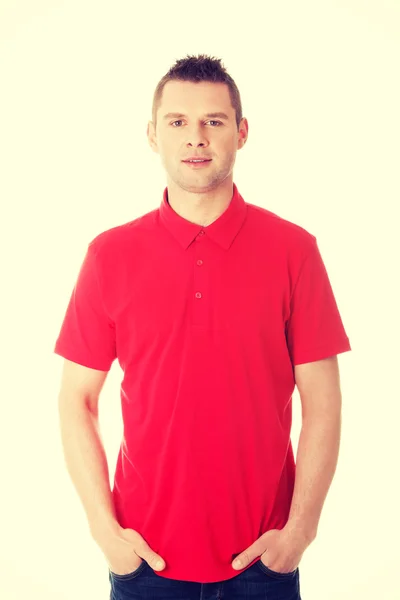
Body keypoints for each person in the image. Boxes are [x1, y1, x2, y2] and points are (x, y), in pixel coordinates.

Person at [54, 54, 351, 600]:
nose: (196, 138)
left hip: (264, 562)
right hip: (144, 560)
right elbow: (77, 399)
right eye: (178, 122)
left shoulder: (294, 250)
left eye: (213, 121)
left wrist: (299, 532)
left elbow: (324, 403)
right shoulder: (109, 254)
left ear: (240, 132)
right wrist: (104, 531)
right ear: (152, 134)